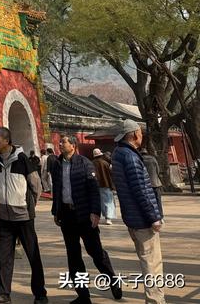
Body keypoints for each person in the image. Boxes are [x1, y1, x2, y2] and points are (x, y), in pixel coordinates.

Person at [52, 136, 122, 303]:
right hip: (67, 216)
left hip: (84, 215)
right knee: (73, 256)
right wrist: (56, 211)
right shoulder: (57, 164)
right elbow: (57, 189)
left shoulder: (84, 163)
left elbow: (93, 189)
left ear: (73, 145)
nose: (60, 144)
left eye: (64, 141)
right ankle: (83, 295)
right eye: (60, 142)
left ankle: (113, 281)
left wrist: (95, 212)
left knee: (96, 252)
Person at [0, 126, 48, 304]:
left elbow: (36, 185)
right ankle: (2, 293)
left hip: (23, 217)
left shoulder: (22, 160)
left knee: (32, 254)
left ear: (7, 140)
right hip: (5, 217)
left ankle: (40, 294)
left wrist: (29, 205)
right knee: (4, 257)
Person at [111, 119, 166, 304]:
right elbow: (141, 189)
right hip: (142, 220)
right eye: (140, 133)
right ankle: (156, 301)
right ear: (134, 134)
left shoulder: (118, 154)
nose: (141, 136)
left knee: (146, 261)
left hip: (132, 218)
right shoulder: (131, 157)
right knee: (152, 264)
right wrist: (154, 217)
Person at [139, 145, 164, 220]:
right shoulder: (153, 159)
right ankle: (161, 217)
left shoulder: (139, 160)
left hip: (146, 184)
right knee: (158, 201)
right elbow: (158, 170)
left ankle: (152, 217)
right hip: (156, 183)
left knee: (148, 202)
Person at [92, 148, 116, 225]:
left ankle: (105, 216)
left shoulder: (91, 163)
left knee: (101, 202)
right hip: (106, 185)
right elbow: (111, 175)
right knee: (108, 201)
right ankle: (108, 218)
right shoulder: (105, 163)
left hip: (96, 186)